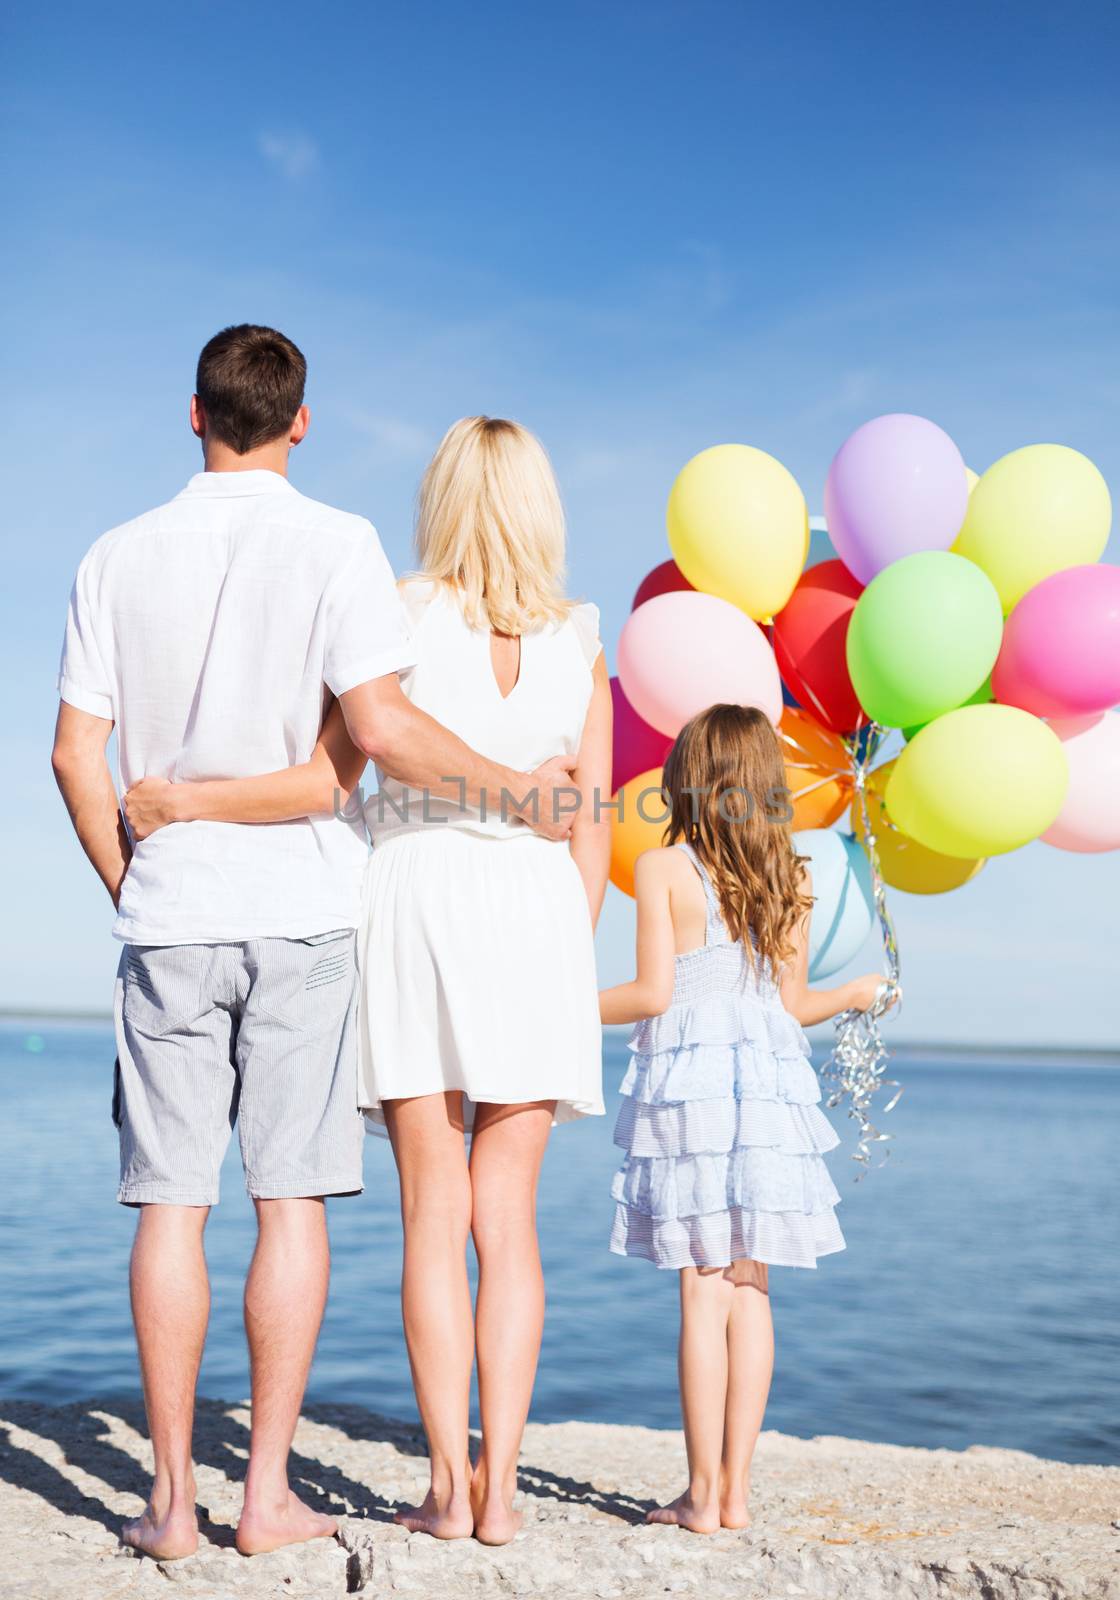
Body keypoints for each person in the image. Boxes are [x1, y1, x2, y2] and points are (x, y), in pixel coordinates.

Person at [52, 331, 576, 1562]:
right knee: (291, 1204)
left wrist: (136, 880)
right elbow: (379, 724)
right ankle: (266, 1496)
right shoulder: (338, 544)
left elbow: (79, 755)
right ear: (300, 422)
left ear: (192, 414)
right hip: (302, 913)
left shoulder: (113, 554)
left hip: (170, 909)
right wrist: (520, 793)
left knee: (169, 1205)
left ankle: (171, 1501)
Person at [599, 703, 892, 1535]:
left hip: (693, 1081)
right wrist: (855, 993)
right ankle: (735, 1493)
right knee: (750, 1286)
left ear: (689, 780)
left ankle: (697, 1495)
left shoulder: (664, 871)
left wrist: (563, 1006)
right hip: (764, 1087)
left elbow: (654, 995)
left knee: (700, 1288)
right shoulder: (793, 873)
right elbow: (794, 1004)